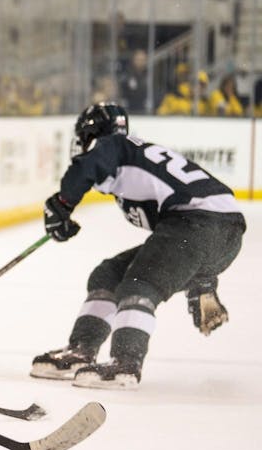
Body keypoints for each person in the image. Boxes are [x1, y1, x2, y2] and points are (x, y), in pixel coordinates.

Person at [32, 102, 246, 389]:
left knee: (138, 282)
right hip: (221, 233)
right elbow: (181, 248)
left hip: (198, 224)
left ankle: (126, 363)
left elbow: (88, 166)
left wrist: (61, 204)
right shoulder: (138, 155)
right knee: (108, 274)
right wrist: (203, 283)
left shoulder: (113, 146)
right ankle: (81, 349)